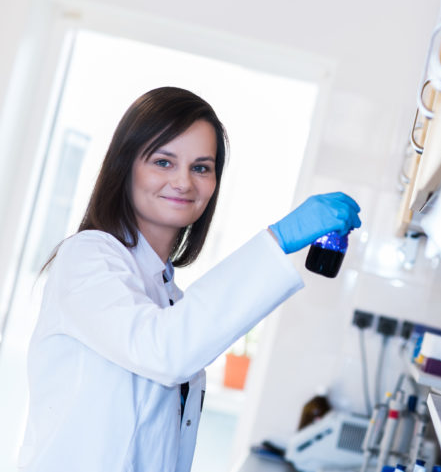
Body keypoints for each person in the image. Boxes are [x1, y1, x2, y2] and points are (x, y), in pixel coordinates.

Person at [18, 86, 361, 472]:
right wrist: (278, 240)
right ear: (125, 167)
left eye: (201, 168)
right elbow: (165, 350)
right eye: (163, 162)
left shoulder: (167, 296)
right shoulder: (87, 257)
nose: (183, 182)